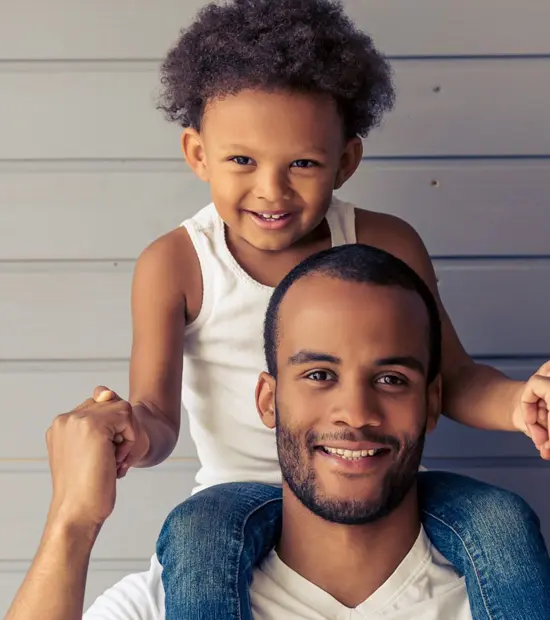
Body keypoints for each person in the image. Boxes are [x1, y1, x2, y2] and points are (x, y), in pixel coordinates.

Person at [17, 0, 550, 618]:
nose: (272, 190)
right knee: (194, 535)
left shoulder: (385, 244)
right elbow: (159, 414)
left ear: (345, 162)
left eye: (302, 163)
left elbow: (449, 377)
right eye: (242, 160)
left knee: (504, 519)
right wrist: (133, 433)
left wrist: (519, 404)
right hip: (234, 496)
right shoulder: (178, 263)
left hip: (376, 474)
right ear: (197, 154)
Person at [8, 244, 486, 619]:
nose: (356, 414)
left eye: (391, 380)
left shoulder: (500, 592)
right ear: (267, 400)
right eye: (319, 375)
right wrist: (72, 522)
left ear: (431, 402)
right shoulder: (170, 601)